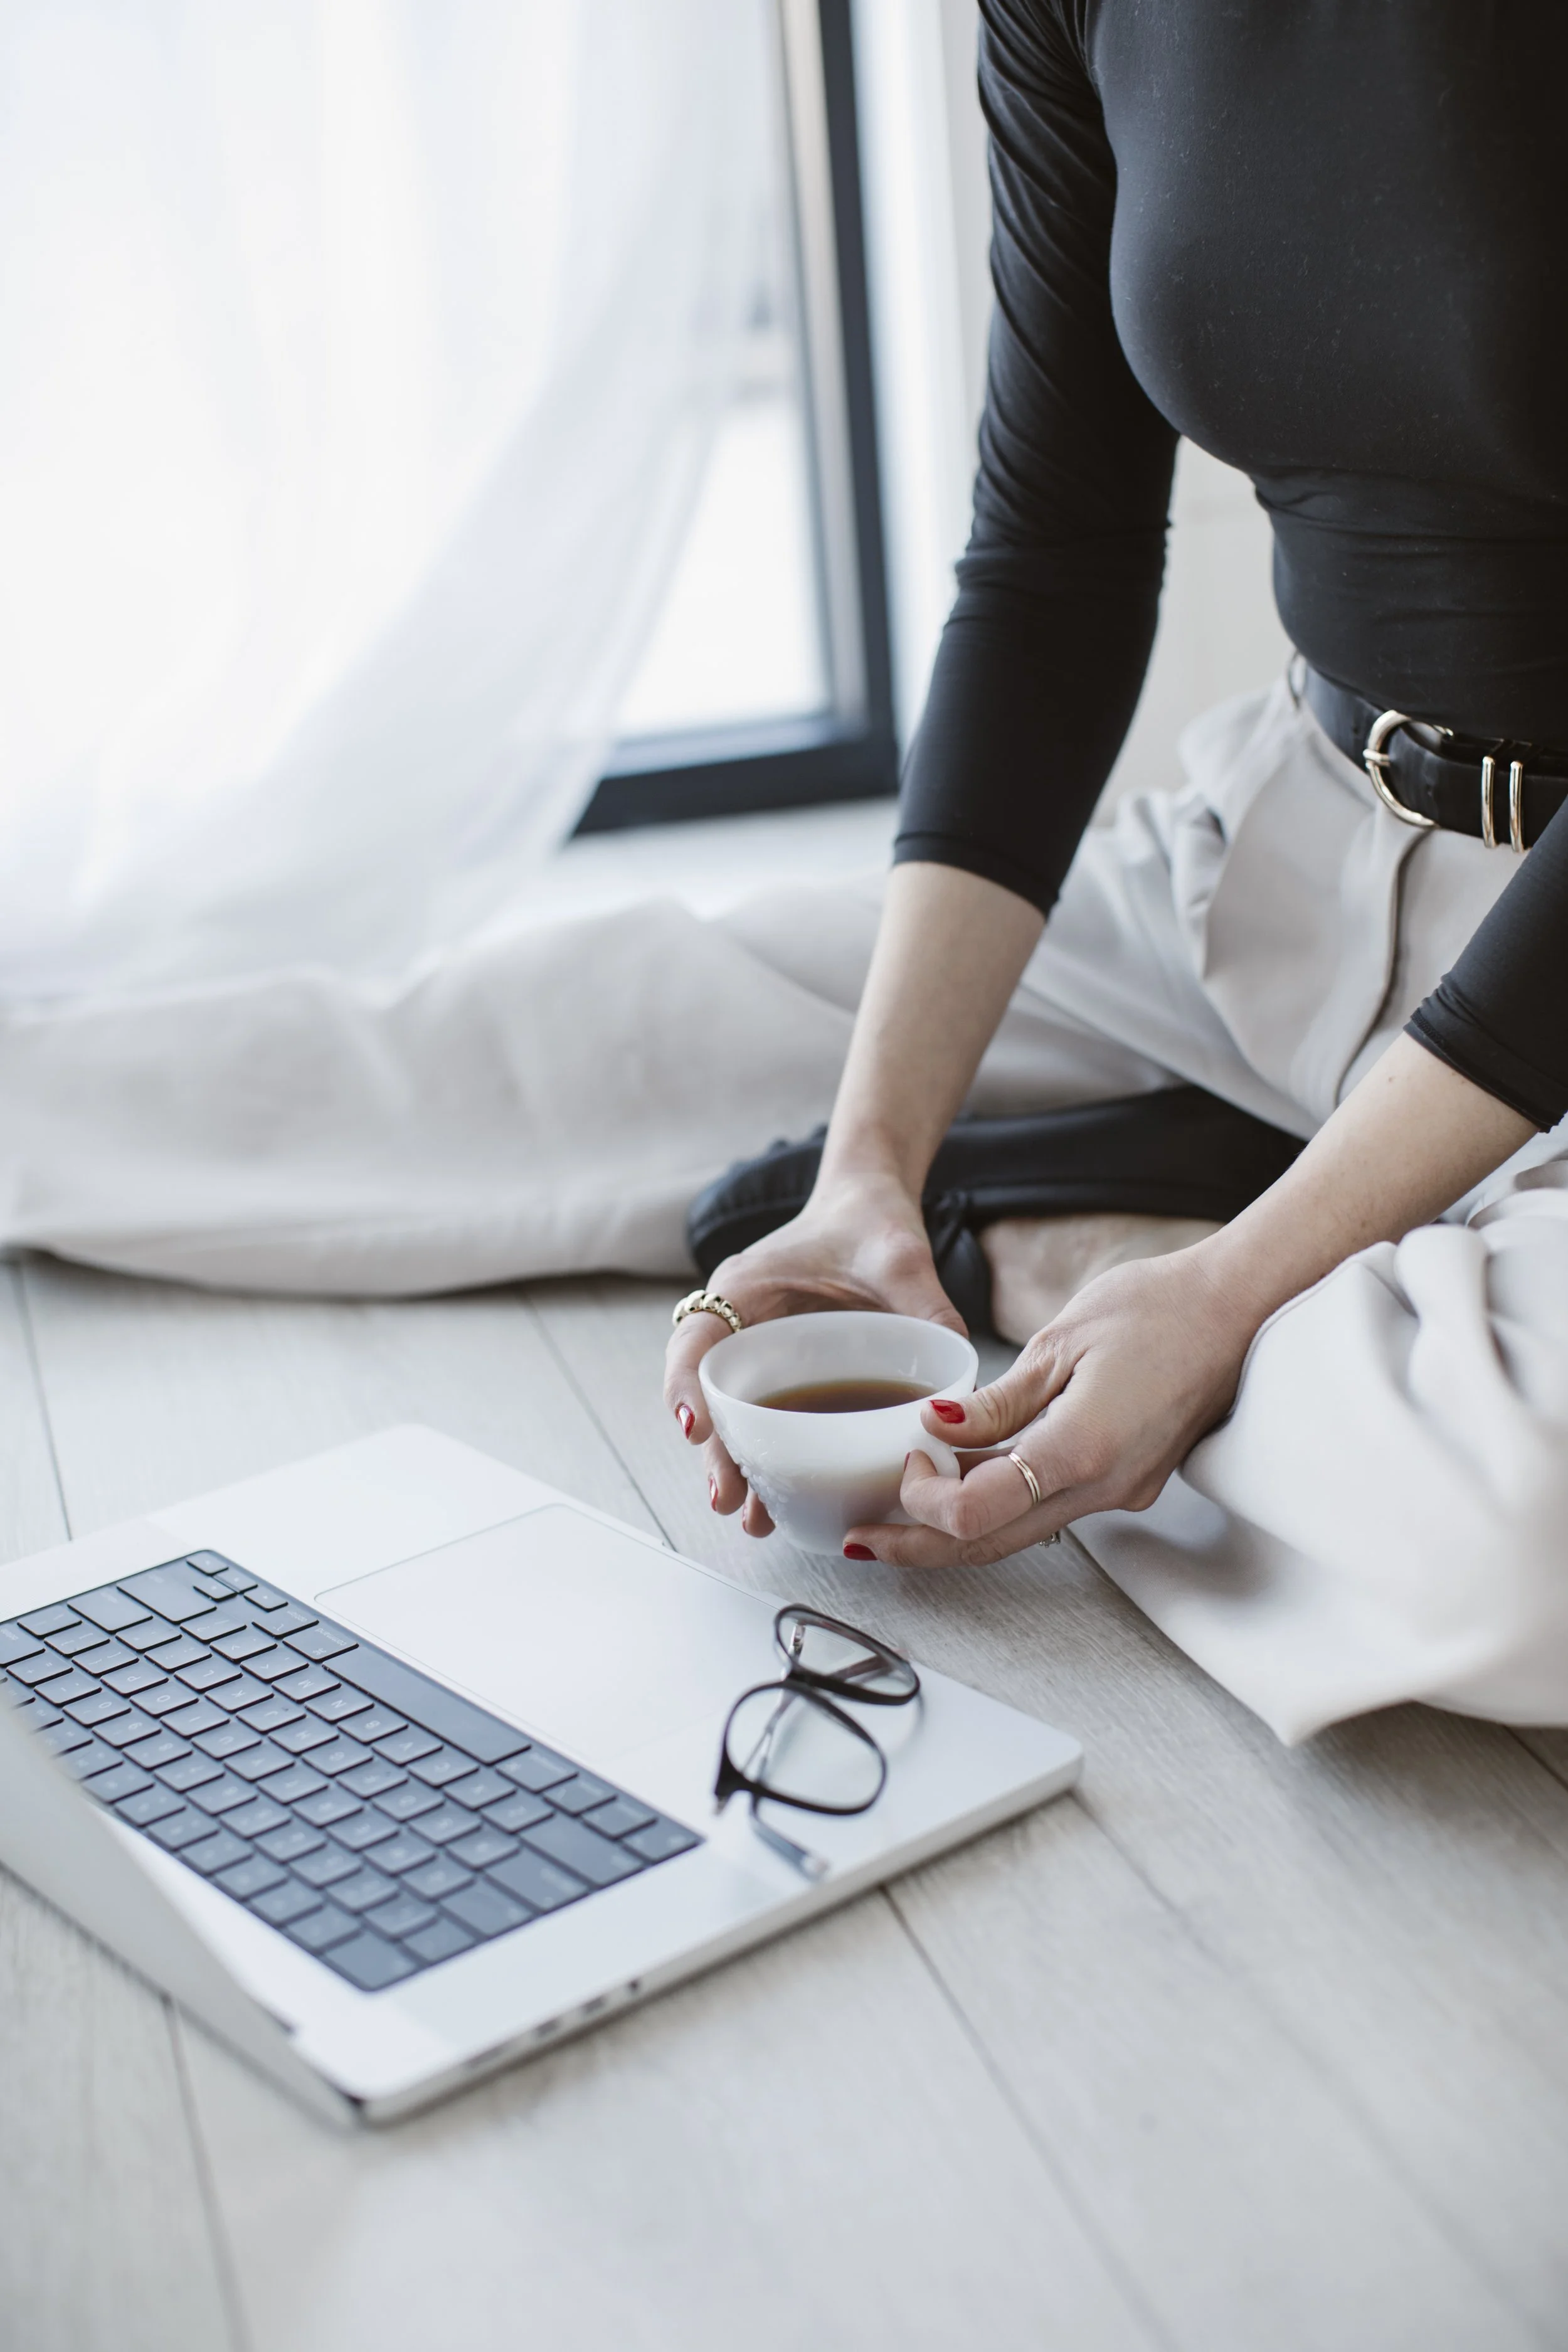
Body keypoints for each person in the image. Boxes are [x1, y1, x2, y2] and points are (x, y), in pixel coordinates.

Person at [664, 0, 1568, 1739]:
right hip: (1308, 856)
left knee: (1512, 1542)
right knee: (611, 1019)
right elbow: (1053, 560)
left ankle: (1092, 1249)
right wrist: (867, 1168)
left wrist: (1224, 1284)